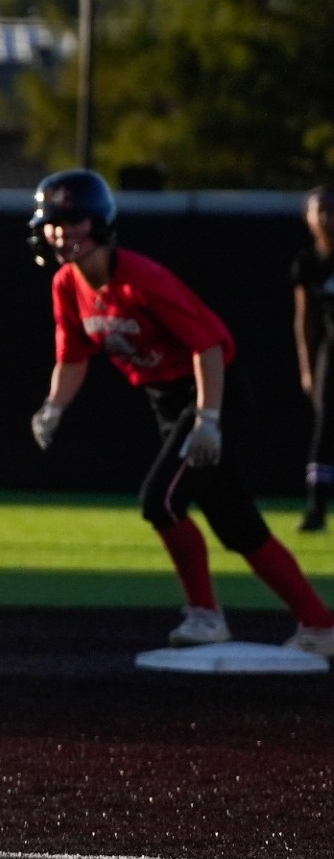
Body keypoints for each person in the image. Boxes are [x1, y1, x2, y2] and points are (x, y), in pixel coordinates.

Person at [26, 169, 334, 657]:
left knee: (160, 501)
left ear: (100, 222)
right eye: (54, 222)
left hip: (212, 390)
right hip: (168, 399)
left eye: (74, 220)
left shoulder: (140, 278)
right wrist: (54, 406)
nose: (62, 232)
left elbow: (207, 346)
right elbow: (73, 356)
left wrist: (208, 419)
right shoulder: (67, 285)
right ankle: (320, 624)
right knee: (236, 522)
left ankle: (205, 616)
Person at [288, 186, 334, 531]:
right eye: (319, 211)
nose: (326, 219)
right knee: (325, 426)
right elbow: (304, 317)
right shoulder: (308, 262)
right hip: (331, 350)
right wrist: (307, 368)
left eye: (331, 210)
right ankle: (316, 508)